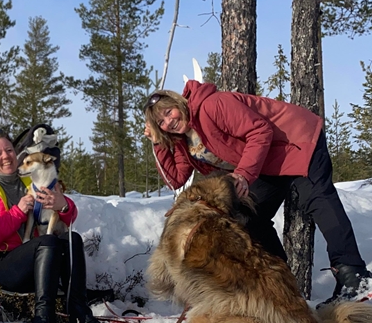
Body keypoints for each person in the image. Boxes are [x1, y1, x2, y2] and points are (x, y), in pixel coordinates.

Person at [142, 80, 370, 304]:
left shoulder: (213, 105)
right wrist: (157, 143)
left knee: (318, 200)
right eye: (160, 122)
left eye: (168, 112)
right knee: (250, 218)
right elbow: (175, 179)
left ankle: (354, 277)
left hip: (293, 140)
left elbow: (259, 131)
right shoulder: (185, 142)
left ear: (178, 103)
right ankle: (283, 288)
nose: (168, 121)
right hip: (266, 161)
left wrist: (242, 174)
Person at [0, 128, 112, 323]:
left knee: (71, 239)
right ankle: (43, 321)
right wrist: (17, 212)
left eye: (8, 150)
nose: (6, 156)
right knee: (48, 242)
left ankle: (80, 314)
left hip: (43, 262)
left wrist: (63, 206)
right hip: (5, 267)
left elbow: (68, 215)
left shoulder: (28, 178)